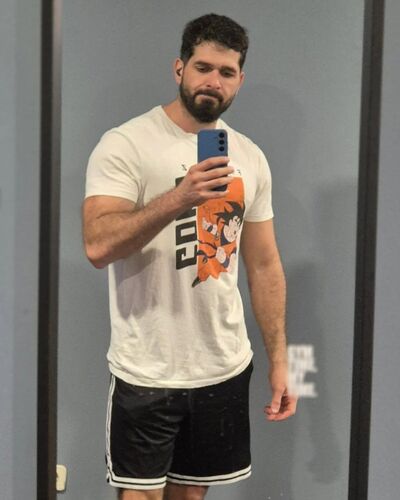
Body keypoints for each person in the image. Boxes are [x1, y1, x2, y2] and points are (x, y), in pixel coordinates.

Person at [82, 13, 297, 500]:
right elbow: (97, 245)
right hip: (147, 367)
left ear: (239, 80)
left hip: (222, 364)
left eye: (226, 72)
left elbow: (265, 265)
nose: (212, 81)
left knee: (191, 497)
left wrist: (281, 361)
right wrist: (181, 197)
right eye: (202, 67)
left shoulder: (250, 157)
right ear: (179, 68)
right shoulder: (126, 144)